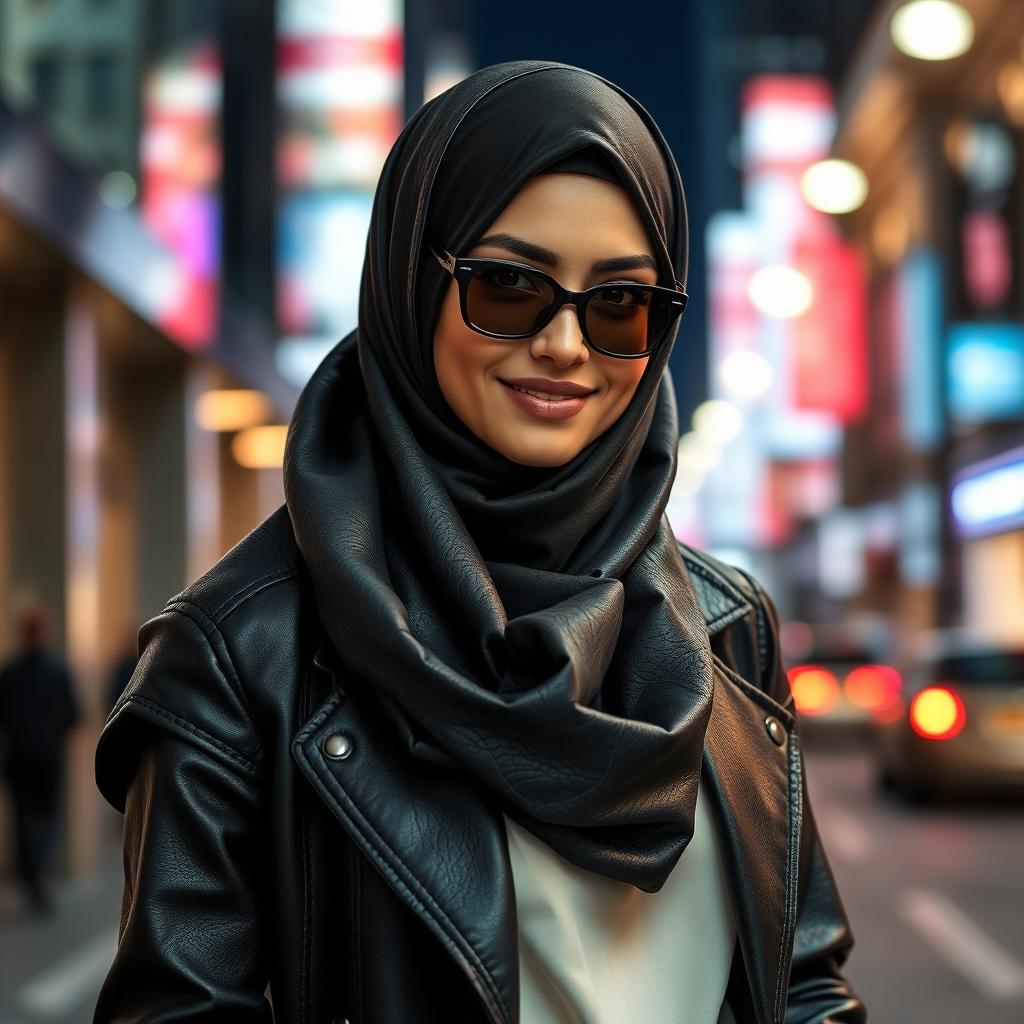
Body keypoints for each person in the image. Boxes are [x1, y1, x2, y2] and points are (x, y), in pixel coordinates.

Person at [93, 61, 866, 1023]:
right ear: (413, 281)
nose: (565, 345)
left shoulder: (726, 623)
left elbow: (802, 984)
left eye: (619, 303)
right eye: (509, 286)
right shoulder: (241, 653)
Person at [0, 602, 80, 914]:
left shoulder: (10, 673)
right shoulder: (57, 671)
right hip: (48, 757)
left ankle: (30, 873)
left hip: (18, 757)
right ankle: (38, 870)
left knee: (21, 819)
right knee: (48, 818)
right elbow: (74, 715)